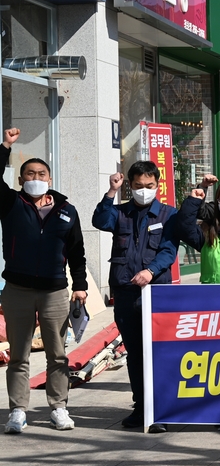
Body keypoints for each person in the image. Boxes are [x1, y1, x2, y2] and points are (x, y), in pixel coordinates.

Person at [1, 128, 87, 434]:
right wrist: (6, 147)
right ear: (21, 179)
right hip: (17, 290)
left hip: (55, 292)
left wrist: (81, 286)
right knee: (19, 354)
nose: (35, 177)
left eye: (41, 173)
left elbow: (77, 252)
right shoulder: (10, 204)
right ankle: (17, 410)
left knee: (57, 353)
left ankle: (59, 407)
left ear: (49, 178)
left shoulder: (66, 211)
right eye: (29, 173)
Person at [92, 161, 179, 432]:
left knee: (157, 352)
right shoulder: (119, 213)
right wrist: (110, 192)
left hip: (156, 292)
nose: (144, 190)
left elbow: (169, 250)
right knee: (135, 353)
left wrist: (151, 271)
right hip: (126, 291)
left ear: (158, 185)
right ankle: (141, 407)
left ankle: (161, 410)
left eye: (149, 186)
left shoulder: (168, 214)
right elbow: (99, 221)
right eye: (139, 186)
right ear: (130, 185)